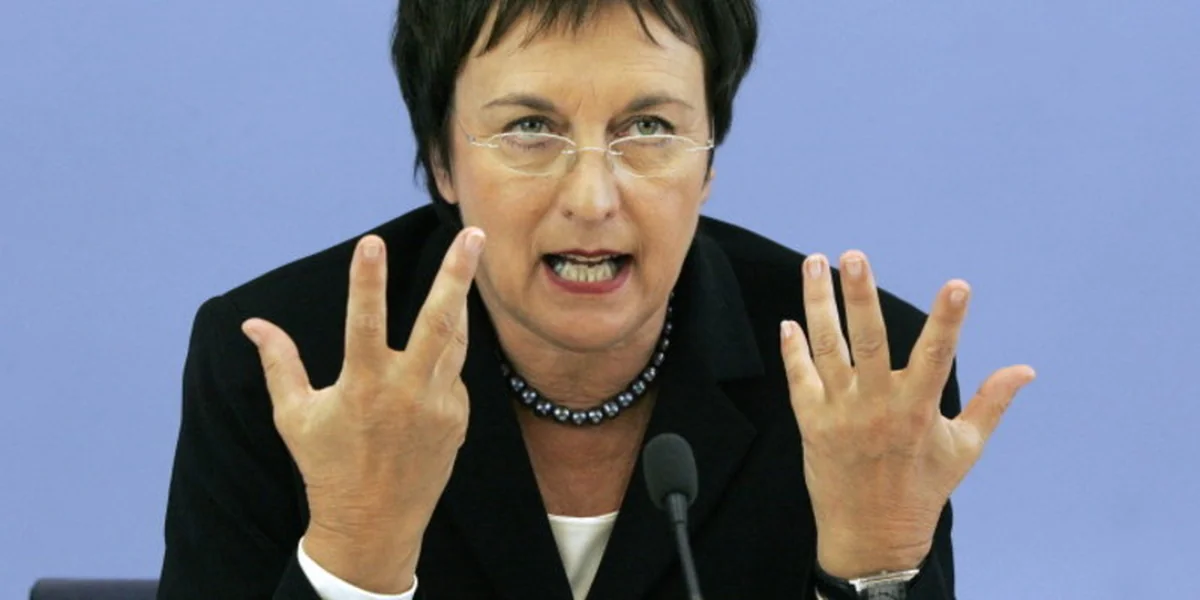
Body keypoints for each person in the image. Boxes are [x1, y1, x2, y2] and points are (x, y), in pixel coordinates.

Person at [156, 1, 1036, 598]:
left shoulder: (859, 383)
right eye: (529, 128)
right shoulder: (288, 366)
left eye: (648, 128)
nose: (592, 198)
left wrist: (875, 570)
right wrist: (355, 550)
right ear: (441, 160)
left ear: (709, 158)